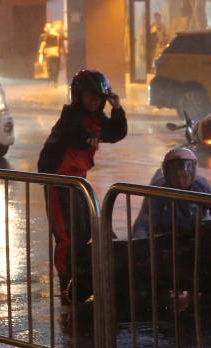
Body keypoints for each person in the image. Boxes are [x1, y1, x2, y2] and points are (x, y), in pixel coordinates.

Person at [37, 70, 127, 299]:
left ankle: (93, 279)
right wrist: (88, 138)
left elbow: (116, 133)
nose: (94, 101)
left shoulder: (97, 118)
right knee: (67, 236)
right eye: (89, 95)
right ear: (78, 95)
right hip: (58, 183)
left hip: (78, 184)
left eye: (99, 97)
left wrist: (117, 108)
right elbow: (75, 133)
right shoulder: (70, 117)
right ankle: (66, 286)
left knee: (94, 229)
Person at [132, 147, 211, 238]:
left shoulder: (201, 186)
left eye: (185, 176)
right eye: (175, 177)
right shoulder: (158, 190)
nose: (180, 181)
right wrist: (139, 243)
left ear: (192, 174)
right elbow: (143, 222)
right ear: (167, 176)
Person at [39, 22, 66, 86]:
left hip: (57, 52)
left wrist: (64, 52)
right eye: (59, 26)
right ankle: (53, 80)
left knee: (57, 67)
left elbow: (62, 42)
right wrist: (41, 52)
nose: (60, 28)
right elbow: (44, 42)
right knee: (51, 67)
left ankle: (55, 80)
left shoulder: (59, 34)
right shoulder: (48, 34)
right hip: (50, 52)